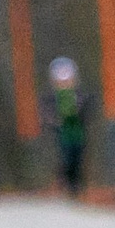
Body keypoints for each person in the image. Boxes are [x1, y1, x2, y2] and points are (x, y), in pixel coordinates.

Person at [48, 56, 90, 196]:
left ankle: (75, 186)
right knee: (66, 159)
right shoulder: (52, 97)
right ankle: (67, 183)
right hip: (61, 133)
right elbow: (47, 114)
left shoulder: (79, 95)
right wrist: (55, 122)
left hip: (78, 132)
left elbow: (87, 112)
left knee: (77, 159)